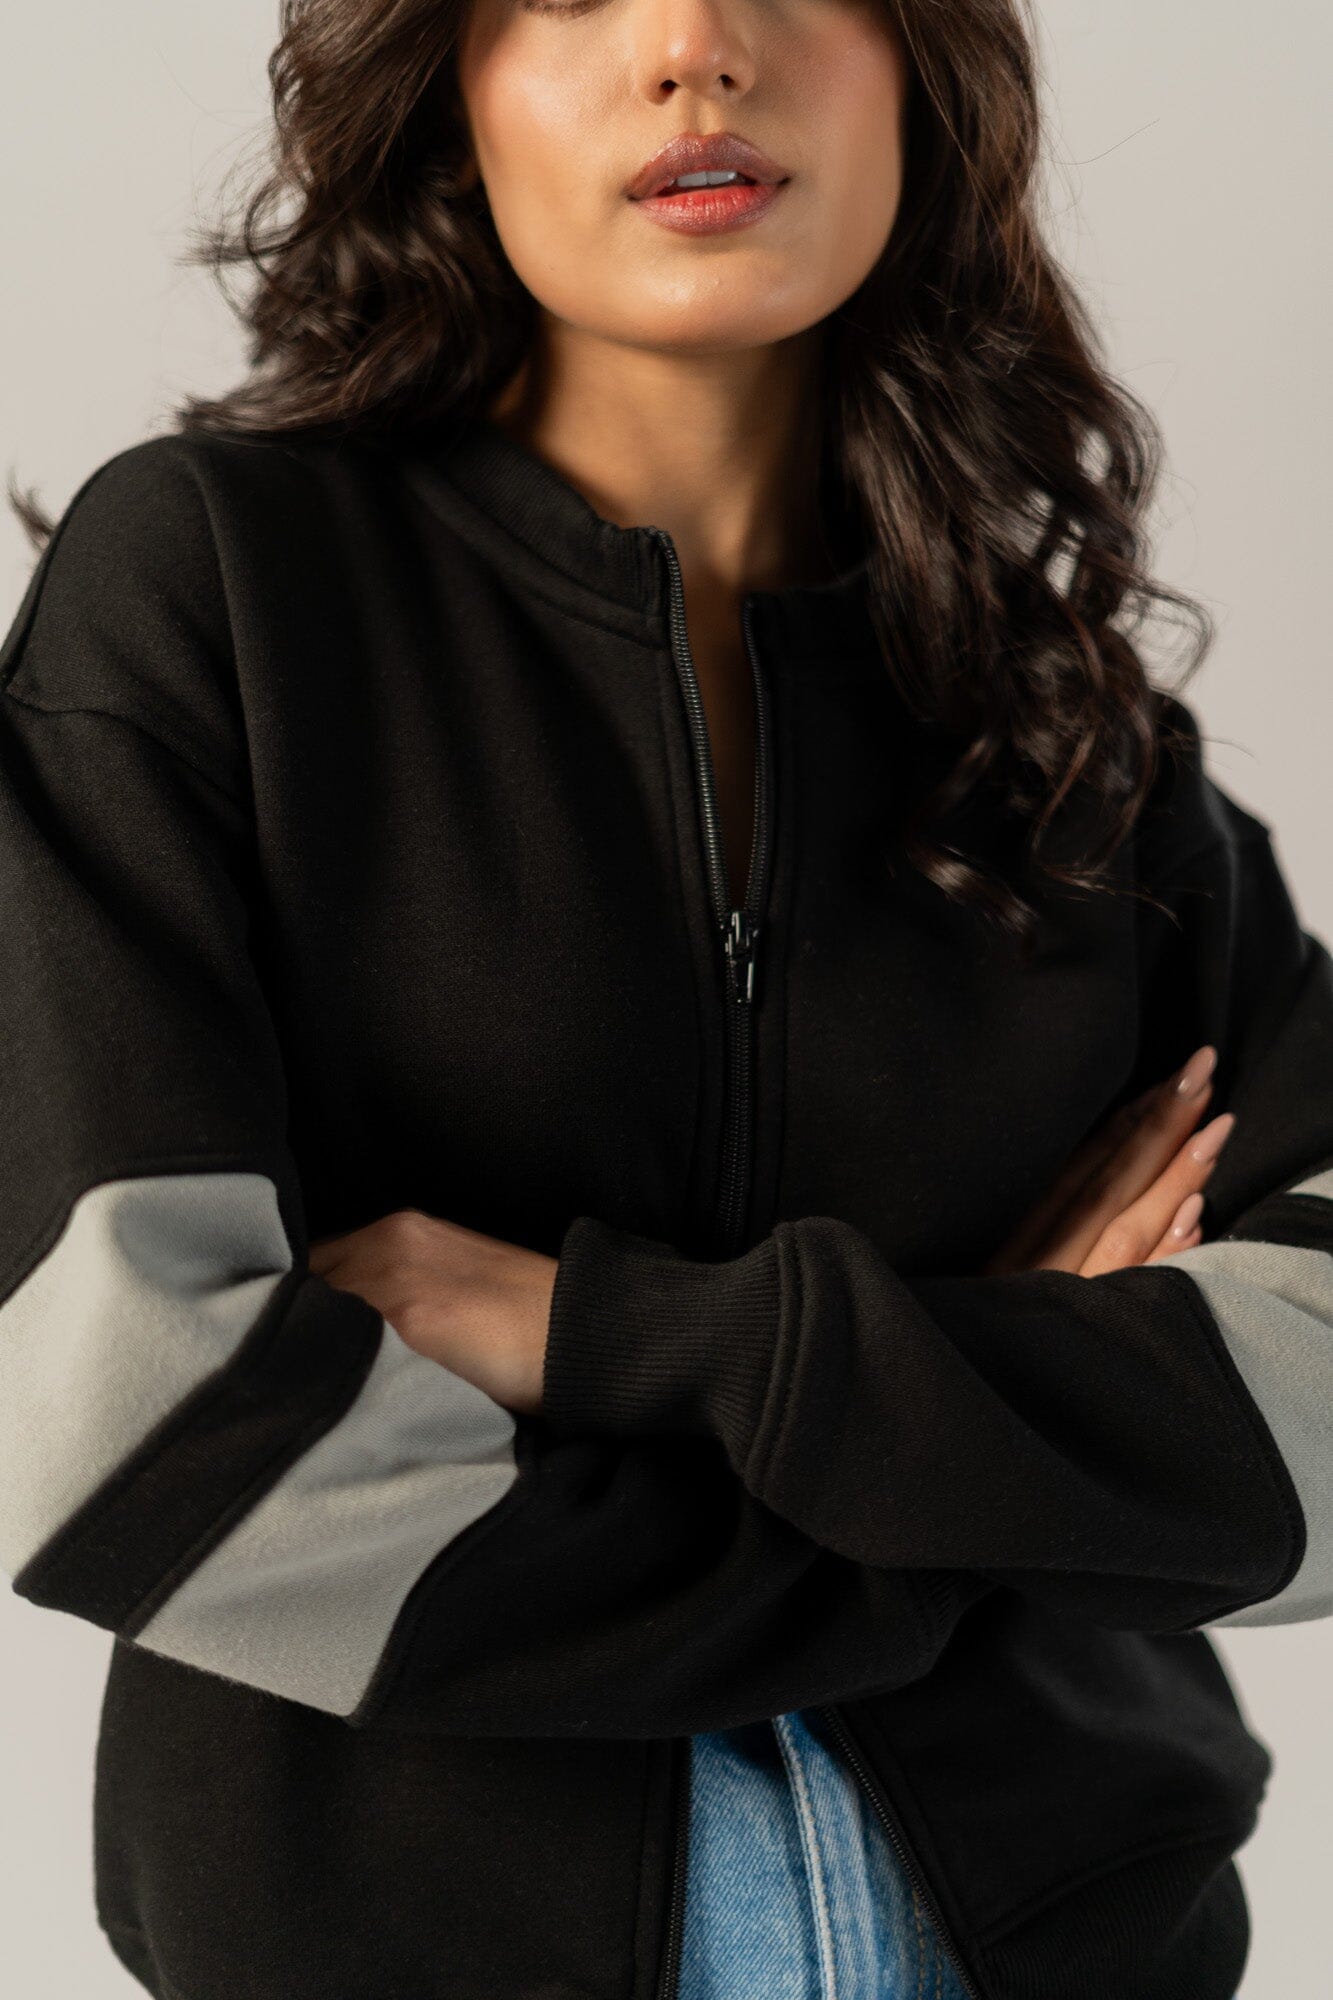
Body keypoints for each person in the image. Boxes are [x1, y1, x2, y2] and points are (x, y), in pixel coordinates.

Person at [1, 1, 1328, 1996]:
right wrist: (981, 1460)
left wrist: (602, 1334)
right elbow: (129, 1436)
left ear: (923, 61)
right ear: (446, 84)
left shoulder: (1063, 735)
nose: (695, 45)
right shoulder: (217, 597)